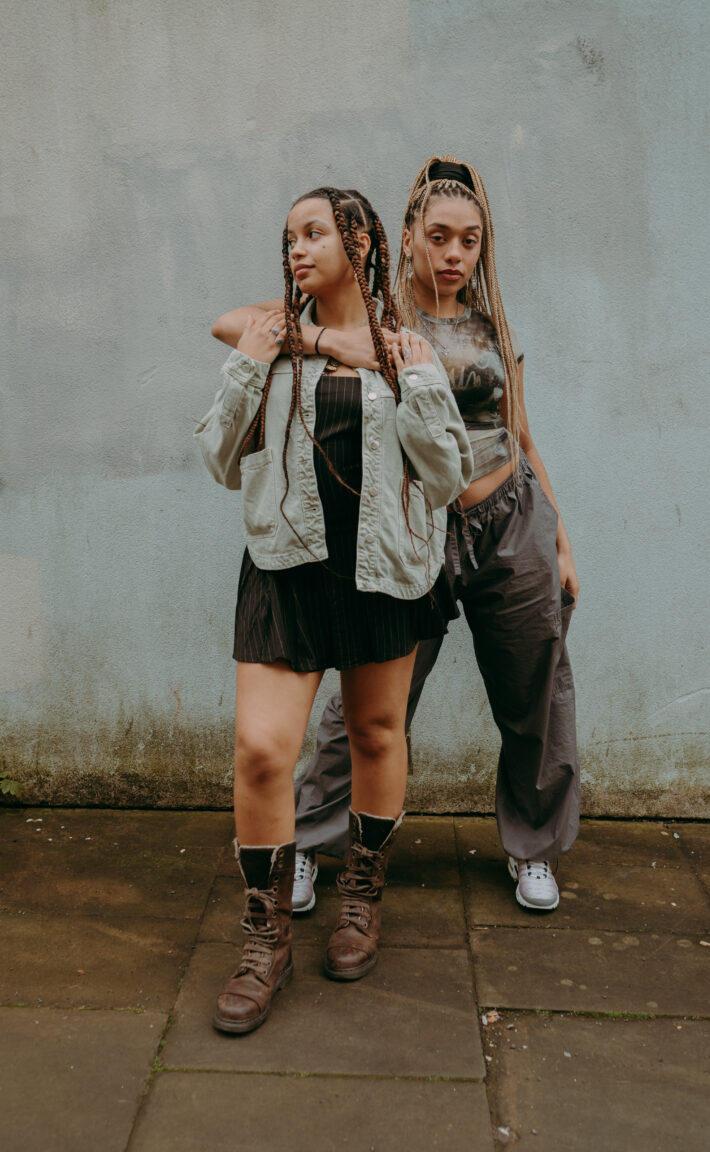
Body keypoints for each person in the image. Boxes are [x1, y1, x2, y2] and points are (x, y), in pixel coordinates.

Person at [212, 156, 580, 920]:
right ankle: (313, 837)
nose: (454, 254)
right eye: (439, 236)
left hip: (511, 517)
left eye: (470, 241)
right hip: (417, 523)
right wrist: (332, 343)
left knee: (533, 689)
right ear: (406, 237)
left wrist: (561, 537)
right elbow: (235, 323)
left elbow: (520, 432)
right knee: (370, 708)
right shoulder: (378, 315)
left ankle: (533, 846)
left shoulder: (492, 324)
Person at [196, 186, 472, 1034]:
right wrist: (266, 357)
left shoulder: (406, 348)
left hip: (385, 567)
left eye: (314, 233)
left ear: (362, 243)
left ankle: (360, 893)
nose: (296, 249)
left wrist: (407, 376)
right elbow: (219, 461)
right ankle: (264, 937)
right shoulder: (270, 337)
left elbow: (447, 475)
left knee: (376, 735)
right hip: (286, 569)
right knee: (260, 751)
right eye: (289, 236)